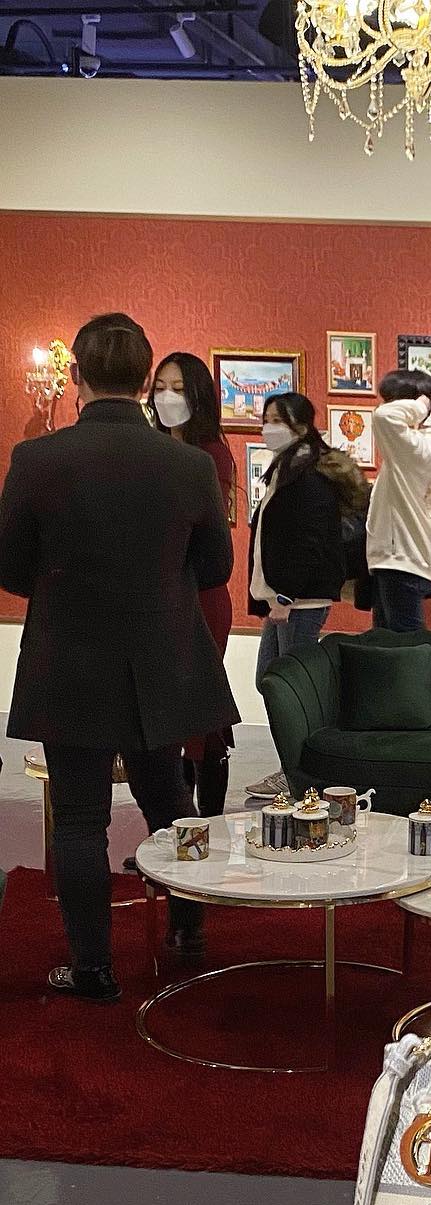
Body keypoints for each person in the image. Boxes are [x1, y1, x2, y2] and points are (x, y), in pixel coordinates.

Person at [0, 312, 238, 1000]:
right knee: (171, 802)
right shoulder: (189, 464)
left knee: (79, 819)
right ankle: (188, 932)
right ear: (144, 381)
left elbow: (10, 567)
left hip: (70, 657)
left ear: (76, 375)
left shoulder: (38, 459)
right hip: (164, 652)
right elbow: (216, 567)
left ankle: (93, 968)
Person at [244, 391, 366, 799]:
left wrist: (286, 596)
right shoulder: (287, 468)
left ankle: (297, 771)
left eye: (276, 420)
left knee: (291, 688)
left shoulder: (308, 475)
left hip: (298, 600)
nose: (268, 427)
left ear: (299, 425)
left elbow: (310, 542)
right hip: (283, 598)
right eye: (266, 419)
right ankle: (293, 766)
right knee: (269, 678)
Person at [150, 350, 236, 816]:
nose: (168, 397)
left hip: (201, 596)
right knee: (170, 712)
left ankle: (209, 820)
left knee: (201, 711)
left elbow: (204, 536)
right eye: (161, 387)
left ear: (199, 396)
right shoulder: (150, 448)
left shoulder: (211, 455)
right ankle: (178, 821)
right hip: (159, 596)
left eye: (179, 389)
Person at [367, 367, 431, 633]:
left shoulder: (415, 449)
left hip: (400, 560)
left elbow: (384, 417)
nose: (385, 405)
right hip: (402, 560)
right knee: (390, 644)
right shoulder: (415, 448)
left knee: (405, 646)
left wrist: (421, 404)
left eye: (391, 400)